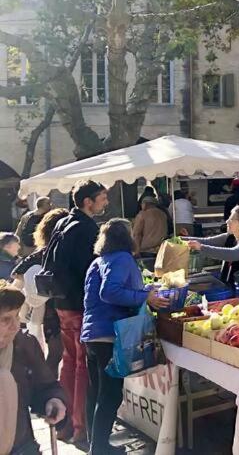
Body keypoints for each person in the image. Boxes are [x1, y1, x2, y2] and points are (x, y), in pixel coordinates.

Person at [82, 219, 169, 455]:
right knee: (109, 395)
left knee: (97, 393)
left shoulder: (98, 261)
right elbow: (110, 292)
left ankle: (95, 443)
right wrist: (145, 297)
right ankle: (99, 448)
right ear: (126, 237)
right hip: (109, 334)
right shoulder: (122, 258)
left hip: (92, 335)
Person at [50, 179, 107, 447]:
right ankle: (80, 427)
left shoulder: (62, 223)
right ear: (88, 202)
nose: (105, 202)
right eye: (102, 198)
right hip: (79, 306)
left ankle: (63, 424)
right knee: (82, 366)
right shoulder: (87, 228)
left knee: (70, 362)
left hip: (61, 303)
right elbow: (93, 272)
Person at [0, 283, 69, 455]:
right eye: (6, 319)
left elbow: (45, 386)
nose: (15, 326)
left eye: (17, 316)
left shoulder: (24, 345)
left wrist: (53, 400)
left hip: (21, 447)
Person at [11, 208, 69, 376]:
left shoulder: (40, 252)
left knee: (54, 354)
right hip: (60, 307)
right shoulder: (57, 252)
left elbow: (17, 272)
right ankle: (47, 387)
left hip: (46, 310)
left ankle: (46, 386)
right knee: (57, 354)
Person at [186, 205, 239, 285]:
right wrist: (179, 239)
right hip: (230, 286)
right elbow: (206, 241)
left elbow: (233, 254)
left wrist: (201, 247)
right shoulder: (230, 236)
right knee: (194, 280)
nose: (227, 221)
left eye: (231, 219)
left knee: (198, 281)